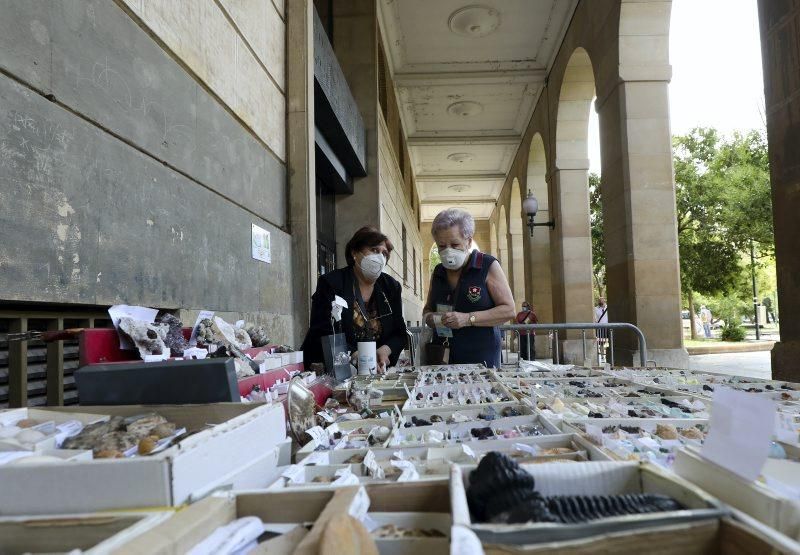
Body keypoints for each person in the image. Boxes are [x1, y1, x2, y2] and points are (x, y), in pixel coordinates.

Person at [301, 226, 407, 373]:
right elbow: (322, 331)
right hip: (333, 370)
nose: (380, 258)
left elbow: (400, 333)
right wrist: (353, 354)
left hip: (376, 372)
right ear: (355, 252)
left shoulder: (391, 287)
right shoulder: (332, 283)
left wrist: (386, 349)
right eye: (375, 250)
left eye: (384, 254)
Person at [423, 208, 516, 368]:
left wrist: (467, 319)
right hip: (443, 357)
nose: (448, 251)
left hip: (481, 358)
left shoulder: (487, 265)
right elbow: (427, 310)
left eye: (455, 244)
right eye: (442, 246)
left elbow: (509, 310)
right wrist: (432, 319)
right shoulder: (438, 271)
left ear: (469, 241)